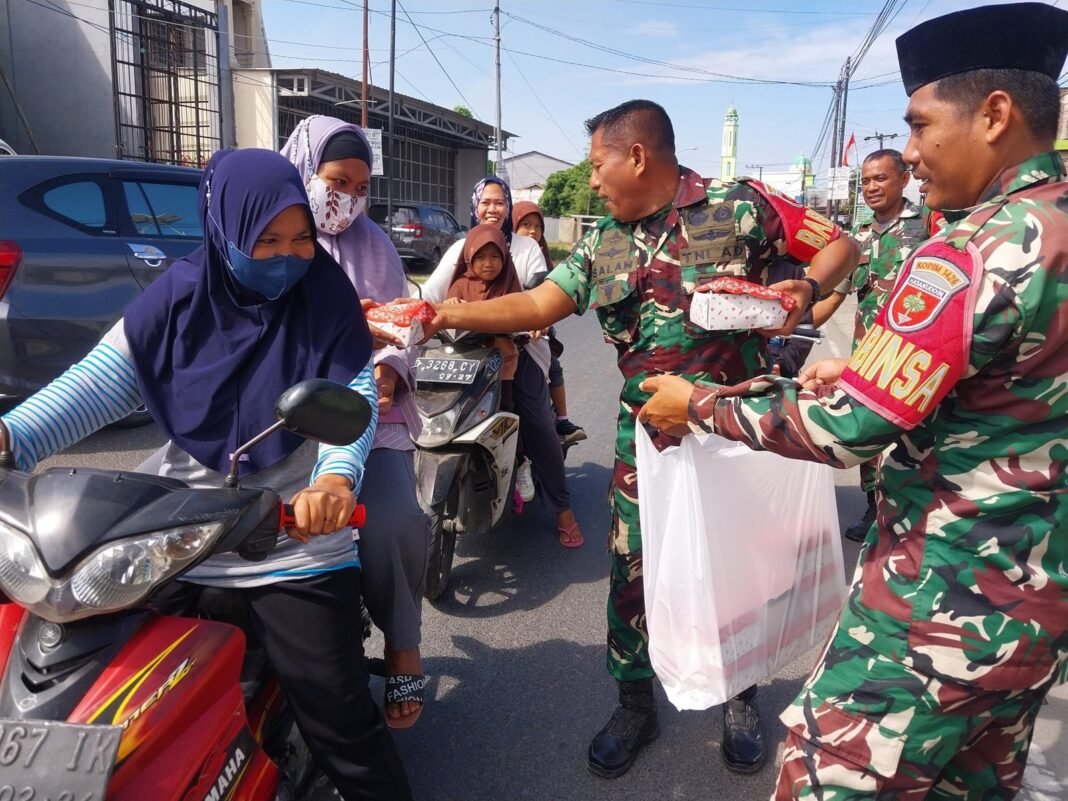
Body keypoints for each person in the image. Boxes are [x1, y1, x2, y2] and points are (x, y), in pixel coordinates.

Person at [639, 4, 1068, 797]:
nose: (907, 152)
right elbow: (1021, 387)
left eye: (919, 124)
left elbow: (849, 434)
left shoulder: (971, 249)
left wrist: (698, 405)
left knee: (816, 775)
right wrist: (865, 374)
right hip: (1039, 606)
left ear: (996, 115)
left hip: (942, 605)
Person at [422, 100, 858, 777]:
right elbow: (539, 305)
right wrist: (445, 309)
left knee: (734, 570)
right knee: (633, 575)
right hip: (648, 439)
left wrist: (805, 285)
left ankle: (737, 694)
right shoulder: (602, 242)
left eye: (597, 166)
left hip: (730, 432)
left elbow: (842, 245)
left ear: (637, 156)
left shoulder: (741, 205)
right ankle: (635, 703)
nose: (592, 182)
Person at [0, 149, 412, 800]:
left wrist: (334, 481)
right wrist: (12, 436)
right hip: (174, 532)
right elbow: (98, 384)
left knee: (339, 722)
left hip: (289, 539)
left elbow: (351, 395)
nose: (285, 257)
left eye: (300, 239)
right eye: (265, 240)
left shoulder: (324, 295)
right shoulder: (176, 297)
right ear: (223, 232)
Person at [281, 116, 430, 730]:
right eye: (337, 180)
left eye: (361, 187)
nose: (348, 198)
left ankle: (402, 644)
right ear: (303, 170)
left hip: (368, 414)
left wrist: (391, 366)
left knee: (395, 521)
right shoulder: (274, 237)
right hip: (277, 421)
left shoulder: (375, 247)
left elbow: (401, 326)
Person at [424, 178, 583, 547]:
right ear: (475, 206)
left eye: (500, 202)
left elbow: (545, 293)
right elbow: (431, 293)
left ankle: (563, 508)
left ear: (509, 207)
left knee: (539, 421)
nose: (493, 209)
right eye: (486, 202)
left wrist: (538, 320)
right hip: (465, 350)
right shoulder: (461, 246)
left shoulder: (526, 246)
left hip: (519, 346)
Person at [812, 148, 930, 543]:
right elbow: (833, 297)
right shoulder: (856, 240)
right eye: (865, 181)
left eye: (880, 178)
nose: (872, 188)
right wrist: (787, 323)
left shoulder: (930, 226)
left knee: (916, 437)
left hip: (915, 357)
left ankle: (914, 513)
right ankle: (872, 508)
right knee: (866, 434)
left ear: (903, 179)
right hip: (865, 358)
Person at [512, 200, 587, 445]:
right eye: (525, 225)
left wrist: (542, 321)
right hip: (500, 330)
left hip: (536, 328)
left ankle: (562, 420)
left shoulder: (543, 257)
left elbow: (552, 296)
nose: (532, 231)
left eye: (537, 226)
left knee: (552, 367)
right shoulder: (501, 252)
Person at [444, 224, 524, 410]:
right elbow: (447, 309)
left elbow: (522, 311)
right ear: (469, 258)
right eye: (480, 257)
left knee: (506, 406)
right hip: (466, 361)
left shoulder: (509, 281)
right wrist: (452, 304)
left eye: (495, 256)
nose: (488, 263)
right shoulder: (461, 284)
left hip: (502, 361)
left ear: (504, 257)